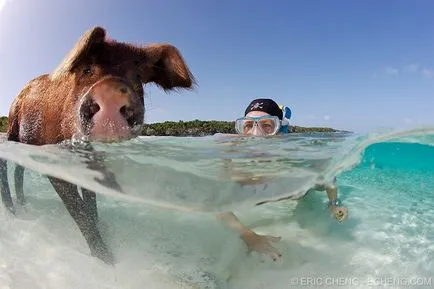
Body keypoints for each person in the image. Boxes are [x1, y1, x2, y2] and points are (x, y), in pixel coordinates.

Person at [216, 98, 348, 261]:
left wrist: (334, 204)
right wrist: (249, 237)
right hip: (271, 192)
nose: (256, 135)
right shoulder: (236, 165)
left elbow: (329, 173)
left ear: (280, 131)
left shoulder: (299, 158)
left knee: (318, 183)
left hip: (300, 193)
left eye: (266, 125)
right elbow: (218, 204)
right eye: (248, 125)